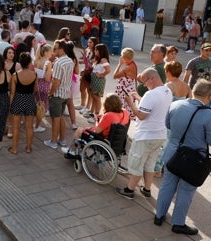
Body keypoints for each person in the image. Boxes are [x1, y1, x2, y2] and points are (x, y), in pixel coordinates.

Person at [154, 79, 211, 236]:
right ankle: (178, 223)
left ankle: (158, 216)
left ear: (193, 90)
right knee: (186, 191)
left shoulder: (175, 104)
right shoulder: (208, 115)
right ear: (209, 96)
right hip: (193, 160)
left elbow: (168, 125)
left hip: (172, 153)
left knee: (167, 185)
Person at [115, 68, 173, 199]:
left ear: (152, 78)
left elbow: (141, 115)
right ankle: (147, 189)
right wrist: (139, 98)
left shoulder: (150, 95)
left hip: (146, 135)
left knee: (137, 162)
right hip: (160, 135)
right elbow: (153, 107)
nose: (144, 85)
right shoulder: (167, 91)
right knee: (150, 163)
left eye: (144, 82)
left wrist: (130, 103)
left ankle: (129, 190)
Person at [63, 93, 130, 156]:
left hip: (103, 139)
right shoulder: (125, 112)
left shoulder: (108, 116)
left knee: (79, 130)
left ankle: (72, 151)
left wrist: (97, 120)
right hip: (116, 142)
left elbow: (97, 131)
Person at [44, 40, 74, 149]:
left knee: (55, 118)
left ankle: (53, 141)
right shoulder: (70, 61)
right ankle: (62, 139)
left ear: (61, 49)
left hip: (57, 94)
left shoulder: (58, 63)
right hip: (66, 93)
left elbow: (56, 81)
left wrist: (50, 93)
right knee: (60, 117)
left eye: (55, 49)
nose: (53, 51)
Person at [8, 52, 38, 154]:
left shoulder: (15, 75)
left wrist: (10, 105)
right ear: (29, 62)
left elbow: (12, 92)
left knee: (16, 127)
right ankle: (28, 148)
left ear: (20, 63)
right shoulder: (34, 74)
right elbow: (35, 89)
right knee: (29, 127)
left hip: (18, 100)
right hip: (30, 100)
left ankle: (15, 148)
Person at [84, 43, 111, 123]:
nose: (95, 51)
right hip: (94, 80)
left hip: (98, 81)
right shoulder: (97, 59)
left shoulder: (103, 59)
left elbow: (108, 70)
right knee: (93, 96)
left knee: (97, 98)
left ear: (100, 51)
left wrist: (101, 75)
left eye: (96, 49)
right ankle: (92, 113)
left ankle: (96, 116)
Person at [113, 48, 138, 119]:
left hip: (124, 93)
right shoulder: (133, 64)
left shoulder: (128, 68)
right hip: (129, 91)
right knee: (127, 114)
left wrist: (119, 64)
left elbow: (115, 76)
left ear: (124, 57)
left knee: (121, 113)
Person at [33, 43, 53, 133]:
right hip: (44, 86)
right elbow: (47, 79)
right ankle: (37, 126)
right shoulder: (48, 63)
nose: (52, 53)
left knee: (36, 104)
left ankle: (32, 124)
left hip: (35, 85)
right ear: (45, 52)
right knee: (42, 107)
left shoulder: (36, 61)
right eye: (50, 51)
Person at [77, 37, 98, 114]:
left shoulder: (96, 52)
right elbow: (85, 61)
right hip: (85, 71)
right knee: (82, 88)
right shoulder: (87, 50)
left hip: (91, 72)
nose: (88, 44)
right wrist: (82, 62)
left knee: (89, 91)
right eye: (88, 42)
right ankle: (82, 104)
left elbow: (93, 64)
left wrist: (88, 62)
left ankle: (87, 107)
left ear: (94, 43)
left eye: (90, 42)